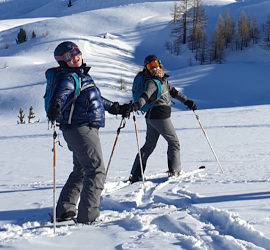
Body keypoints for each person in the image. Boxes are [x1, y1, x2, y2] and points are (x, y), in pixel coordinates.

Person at [47, 41, 129, 224]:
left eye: (76, 52)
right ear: (62, 61)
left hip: (81, 128)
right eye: (69, 56)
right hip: (80, 128)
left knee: (82, 170)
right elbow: (60, 94)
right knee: (96, 170)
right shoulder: (67, 77)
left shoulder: (81, 76)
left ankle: (65, 210)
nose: (75, 57)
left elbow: (96, 98)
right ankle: (88, 217)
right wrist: (55, 107)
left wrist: (116, 108)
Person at [128, 55, 197, 183]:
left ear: (160, 64)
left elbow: (175, 93)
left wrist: (188, 101)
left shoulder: (162, 80)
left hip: (152, 117)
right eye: (150, 66)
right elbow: (145, 96)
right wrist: (138, 105)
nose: (154, 68)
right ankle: (175, 171)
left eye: (155, 65)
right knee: (174, 142)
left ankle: (135, 174)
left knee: (149, 146)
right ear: (147, 69)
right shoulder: (151, 82)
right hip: (159, 116)